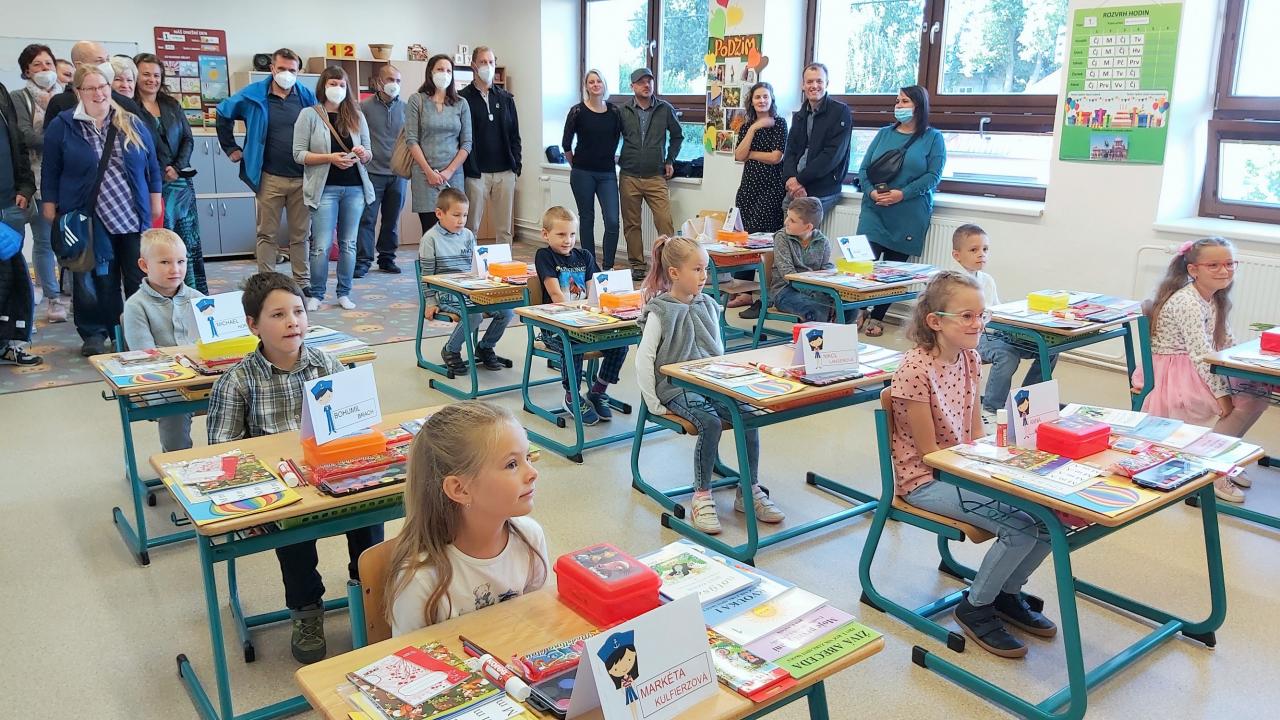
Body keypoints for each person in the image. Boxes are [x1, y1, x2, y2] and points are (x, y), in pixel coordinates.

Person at [206, 271, 383, 662]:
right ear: (253, 325)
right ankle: (306, 610)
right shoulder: (236, 382)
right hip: (286, 491)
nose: (292, 322)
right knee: (295, 535)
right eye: (278, 315)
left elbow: (358, 423)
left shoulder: (327, 364)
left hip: (335, 475)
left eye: (298, 312)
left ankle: (370, 593)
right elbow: (224, 456)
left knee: (370, 513)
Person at [892, 271, 1054, 658]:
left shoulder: (969, 358)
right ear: (935, 321)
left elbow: (975, 427)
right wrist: (981, 477)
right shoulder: (915, 370)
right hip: (926, 480)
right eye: (966, 316)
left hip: (962, 468)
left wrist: (1000, 465)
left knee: (1049, 519)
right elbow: (930, 453)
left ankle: (1006, 594)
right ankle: (976, 605)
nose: (978, 324)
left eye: (982, 315)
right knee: (1020, 529)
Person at [636, 235, 783, 535]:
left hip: (712, 382)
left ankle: (749, 489)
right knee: (710, 423)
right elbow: (643, 359)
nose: (704, 276)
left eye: (706, 269)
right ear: (674, 273)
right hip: (676, 389)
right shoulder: (660, 311)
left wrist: (732, 383)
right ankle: (702, 495)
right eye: (697, 269)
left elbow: (719, 351)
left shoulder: (709, 305)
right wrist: (654, 404)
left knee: (749, 416)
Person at [386, 401, 548, 635]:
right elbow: (411, 656)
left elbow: (538, 624)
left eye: (528, 457)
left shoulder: (530, 537)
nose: (533, 473)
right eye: (512, 464)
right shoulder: (422, 581)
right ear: (460, 489)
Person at [1135, 237, 1268, 503]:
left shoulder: (1214, 298)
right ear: (1193, 270)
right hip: (1176, 373)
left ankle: (1225, 457)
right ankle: (1211, 469)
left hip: (1201, 365)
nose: (1224, 271)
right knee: (1240, 403)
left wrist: (1249, 363)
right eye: (1214, 265)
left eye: (1230, 264)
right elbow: (1199, 354)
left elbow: (1226, 341)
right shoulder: (1187, 302)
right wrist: (1222, 394)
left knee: (1257, 395)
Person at [42, 66, 162, 357]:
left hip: (131, 214)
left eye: (103, 87)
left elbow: (152, 166)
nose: (98, 93)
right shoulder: (63, 125)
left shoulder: (130, 122)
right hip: (89, 216)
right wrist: (49, 204)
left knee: (137, 277)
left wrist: (155, 199)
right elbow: (50, 169)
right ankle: (97, 332)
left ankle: (136, 332)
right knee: (95, 279)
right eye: (91, 88)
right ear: (78, 92)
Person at [215, 48, 316, 287]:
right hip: (269, 177)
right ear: (272, 68)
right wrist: (230, 147)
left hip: (302, 177)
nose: (287, 74)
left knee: (301, 235)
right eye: (281, 69)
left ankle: (302, 284)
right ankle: (266, 284)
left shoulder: (307, 97)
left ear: (298, 71)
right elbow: (222, 112)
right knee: (267, 234)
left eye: (292, 70)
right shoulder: (253, 95)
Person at [855, 85, 946, 337]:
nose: (899, 106)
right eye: (897, 101)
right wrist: (871, 192)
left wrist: (902, 194)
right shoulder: (884, 134)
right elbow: (863, 170)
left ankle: (877, 316)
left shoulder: (933, 138)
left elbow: (933, 176)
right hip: (874, 210)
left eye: (905, 101)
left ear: (919, 106)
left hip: (908, 213)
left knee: (894, 273)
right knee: (862, 265)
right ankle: (858, 311)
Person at [534, 206, 629, 425]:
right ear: (545, 234)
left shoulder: (584, 256)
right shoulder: (544, 256)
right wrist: (577, 314)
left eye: (572, 234)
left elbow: (594, 291)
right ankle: (572, 396)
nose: (568, 240)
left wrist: (596, 310)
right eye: (561, 234)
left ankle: (597, 391)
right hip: (556, 328)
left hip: (586, 323)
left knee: (620, 343)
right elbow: (556, 294)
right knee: (572, 345)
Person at [950, 224, 1056, 419]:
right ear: (957, 255)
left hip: (996, 333)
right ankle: (992, 410)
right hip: (970, 336)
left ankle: (1028, 402)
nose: (981, 254)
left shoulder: (987, 280)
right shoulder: (953, 283)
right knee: (1006, 355)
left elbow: (997, 310)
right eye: (973, 250)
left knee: (1048, 349)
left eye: (985, 249)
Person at [293, 66, 373, 311]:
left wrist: (362, 153)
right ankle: (317, 293)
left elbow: (369, 154)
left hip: (355, 188)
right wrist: (329, 158)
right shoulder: (309, 115)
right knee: (321, 245)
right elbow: (299, 154)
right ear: (323, 86)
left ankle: (344, 292)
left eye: (341, 84)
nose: (337, 88)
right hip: (324, 189)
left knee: (349, 243)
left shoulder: (356, 115)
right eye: (332, 84)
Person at [122, 229, 204, 449]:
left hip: (201, 376)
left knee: (243, 388)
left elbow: (214, 342)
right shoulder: (135, 306)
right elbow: (145, 356)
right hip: (159, 380)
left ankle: (237, 451)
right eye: (165, 262)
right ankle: (178, 460)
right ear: (144, 265)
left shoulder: (198, 299)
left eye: (180, 261)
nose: (175, 269)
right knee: (174, 405)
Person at [134, 53, 206, 294]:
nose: (151, 79)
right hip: (151, 185)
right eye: (145, 74)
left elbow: (187, 138)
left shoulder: (171, 104)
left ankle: (193, 292)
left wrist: (177, 166)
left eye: (156, 75)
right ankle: (163, 293)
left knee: (187, 241)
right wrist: (159, 171)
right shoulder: (130, 108)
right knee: (160, 244)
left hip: (180, 184)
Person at [419, 187, 511, 373]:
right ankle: (451, 349)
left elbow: (475, 266)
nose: (461, 220)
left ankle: (485, 347)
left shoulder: (468, 235)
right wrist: (430, 302)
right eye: (456, 215)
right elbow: (426, 276)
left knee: (506, 312)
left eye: (465, 215)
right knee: (473, 315)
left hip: (470, 290)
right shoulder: (430, 239)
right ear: (439, 214)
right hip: (446, 293)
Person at [10, 43, 67, 322]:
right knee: (39, 240)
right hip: (33, 178)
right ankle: (49, 299)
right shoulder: (18, 97)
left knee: (63, 239)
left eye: (49, 64)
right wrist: (59, 142)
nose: (45, 69)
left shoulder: (64, 96)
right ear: (26, 70)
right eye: (37, 64)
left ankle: (64, 294)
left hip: (64, 178)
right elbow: (22, 134)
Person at [729, 81, 788, 316]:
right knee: (745, 239)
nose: (762, 101)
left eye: (765, 96)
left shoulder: (780, 124)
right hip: (748, 189)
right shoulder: (747, 126)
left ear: (771, 99)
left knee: (763, 241)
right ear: (751, 101)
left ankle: (765, 295)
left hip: (771, 189)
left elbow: (776, 157)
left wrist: (751, 154)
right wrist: (754, 128)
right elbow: (738, 155)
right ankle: (744, 291)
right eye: (757, 97)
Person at [618, 68, 683, 281]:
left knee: (664, 221)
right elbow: (610, 136)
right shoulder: (623, 110)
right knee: (632, 224)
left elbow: (677, 136)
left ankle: (668, 264)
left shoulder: (664, 109)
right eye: (641, 82)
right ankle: (637, 265)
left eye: (649, 81)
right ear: (632, 86)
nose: (646, 85)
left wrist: (670, 160)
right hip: (629, 175)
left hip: (656, 176)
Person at [460, 47, 520, 246]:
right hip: (476, 173)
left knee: (504, 229)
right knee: (470, 227)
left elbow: (515, 135)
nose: (488, 66)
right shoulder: (462, 98)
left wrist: (516, 165)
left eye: (491, 62)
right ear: (473, 65)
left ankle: (505, 263)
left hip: (505, 172)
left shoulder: (506, 98)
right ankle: (468, 262)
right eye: (483, 62)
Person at [561, 69, 622, 268]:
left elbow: (619, 138)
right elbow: (566, 143)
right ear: (586, 86)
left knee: (612, 221)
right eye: (591, 82)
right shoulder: (577, 111)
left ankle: (608, 266)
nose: (595, 85)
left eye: (598, 81)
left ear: (604, 85)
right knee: (587, 219)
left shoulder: (614, 112)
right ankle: (590, 265)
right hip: (582, 173)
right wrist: (575, 165)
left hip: (607, 173)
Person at [406, 54, 471, 234]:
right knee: (430, 231)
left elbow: (467, 143)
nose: (445, 74)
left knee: (454, 228)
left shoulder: (461, 103)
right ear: (430, 72)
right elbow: (411, 139)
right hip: (424, 175)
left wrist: (449, 171)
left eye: (448, 70)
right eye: (440, 69)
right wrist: (429, 172)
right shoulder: (417, 100)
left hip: (453, 176)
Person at [0, 79, 40, 366]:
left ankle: (9, 343)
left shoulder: (1, 93)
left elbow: (17, 145)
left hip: (9, 206)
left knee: (13, 282)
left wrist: (25, 188)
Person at [355, 64, 406, 277]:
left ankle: (387, 258)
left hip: (398, 174)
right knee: (367, 219)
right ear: (378, 82)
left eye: (398, 81)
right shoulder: (363, 107)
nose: (394, 84)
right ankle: (363, 261)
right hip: (371, 173)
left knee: (391, 220)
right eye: (390, 79)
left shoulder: (406, 108)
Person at [782, 63, 852, 219]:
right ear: (803, 85)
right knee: (787, 229)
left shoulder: (840, 112)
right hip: (795, 187)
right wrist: (791, 179)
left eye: (819, 81)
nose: (814, 86)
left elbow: (831, 155)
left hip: (822, 189)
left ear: (827, 83)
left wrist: (799, 180)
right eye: (809, 82)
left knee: (801, 228)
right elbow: (790, 151)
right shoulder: (800, 115)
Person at [43, 41, 150, 137]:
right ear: (79, 65)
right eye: (100, 61)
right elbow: (51, 142)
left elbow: (147, 140)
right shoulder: (60, 103)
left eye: (107, 60)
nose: (107, 66)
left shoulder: (124, 102)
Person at [769, 197, 834, 323]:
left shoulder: (823, 241)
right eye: (787, 217)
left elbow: (825, 268)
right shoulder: (782, 237)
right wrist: (814, 293)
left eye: (792, 220)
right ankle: (817, 335)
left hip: (815, 289)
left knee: (847, 307)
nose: (786, 222)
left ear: (808, 227)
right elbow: (787, 273)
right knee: (816, 308)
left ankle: (834, 333)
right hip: (784, 290)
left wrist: (832, 277)